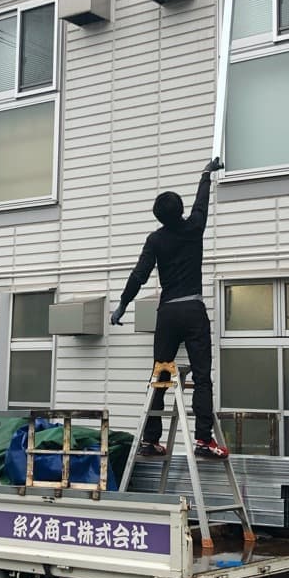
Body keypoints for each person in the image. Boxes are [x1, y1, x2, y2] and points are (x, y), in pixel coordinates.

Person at [110, 159, 228, 459]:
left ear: (158, 216)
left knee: (161, 373)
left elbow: (139, 275)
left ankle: (151, 439)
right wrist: (206, 174)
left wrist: (122, 304)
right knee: (201, 376)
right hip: (192, 310)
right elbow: (202, 204)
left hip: (167, 314)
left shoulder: (155, 239)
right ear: (181, 210)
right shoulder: (194, 228)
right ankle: (204, 440)